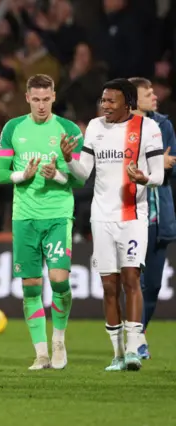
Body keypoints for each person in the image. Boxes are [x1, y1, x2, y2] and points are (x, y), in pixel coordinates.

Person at [62, 78, 164, 371]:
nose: (104, 106)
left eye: (111, 101)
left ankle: (134, 349)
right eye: (103, 100)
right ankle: (118, 354)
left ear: (128, 103)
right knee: (109, 286)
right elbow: (83, 173)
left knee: (131, 279)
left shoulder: (148, 129)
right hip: (101, 217)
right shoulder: (95, 127)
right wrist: (69, 159)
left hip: (132, 215)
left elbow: (157, 174)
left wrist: (144, 178)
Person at [0, 74, 83, 370]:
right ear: (28, 98)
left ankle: (59, 339)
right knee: (31, 286)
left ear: (53, 97)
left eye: (46, 99)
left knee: (59, 281)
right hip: (24, 217)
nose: (42, 105)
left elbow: (80, 180)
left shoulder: (68, 130)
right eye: (36, 99)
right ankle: (41, 353)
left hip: (57, 214)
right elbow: (0, 174)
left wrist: (56, 174)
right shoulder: (13, 128)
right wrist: (24, 175)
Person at [129, 77, 176, 359]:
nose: (154, 95)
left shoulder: (164, 124)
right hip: (130, 212)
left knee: (154, 284)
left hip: (159, 217)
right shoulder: (117, 129)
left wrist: (163, 164)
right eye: (148, 93)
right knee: (133, 279)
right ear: (133, 100)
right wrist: (160, 163)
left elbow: (172, 165)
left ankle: (138, 335)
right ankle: (132, 339)